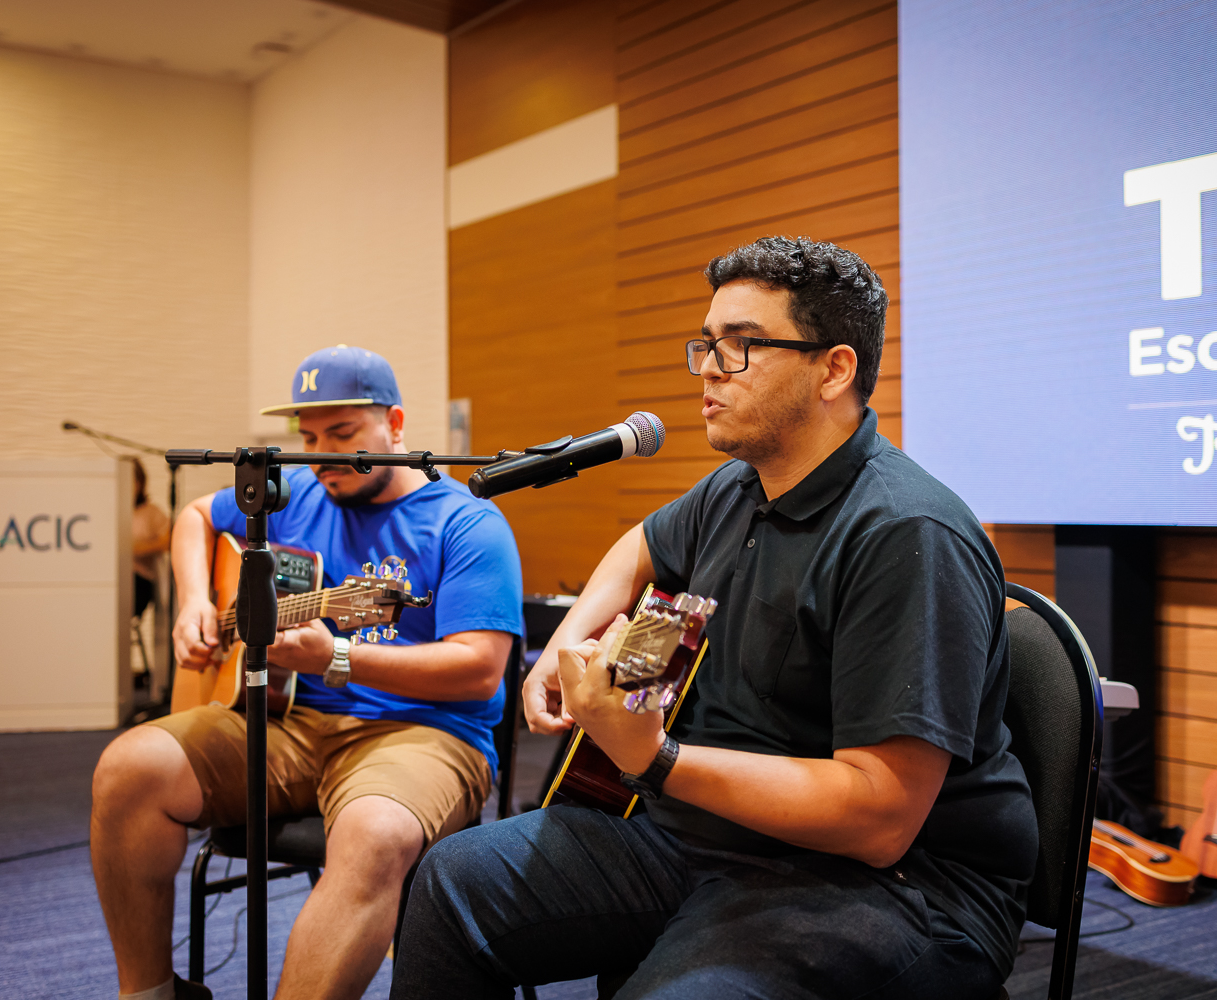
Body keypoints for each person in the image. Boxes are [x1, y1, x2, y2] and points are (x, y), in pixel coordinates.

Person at [389, 237, 1037, 1000]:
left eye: (742, 346)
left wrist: (656, 758)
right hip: (703, 833)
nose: (708, 369)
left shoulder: (906, 534)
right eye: (707, 344)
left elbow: (880, 818)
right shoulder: (737, 485)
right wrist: (566, 643)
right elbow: (638, 548)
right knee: (451, 882)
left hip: (892, 887)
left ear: (834, 370)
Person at [90, 346, 524, 1000]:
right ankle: (150, 994)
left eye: (342, 434)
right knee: (128, 769)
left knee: (373, 834)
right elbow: (195, 517)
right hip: (286, 718)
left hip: (424, 733)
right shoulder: (296, 494)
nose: (321, 455)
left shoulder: (466, 522)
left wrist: (338, 657)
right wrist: (194, 602)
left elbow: (479, 671)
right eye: (310, 438)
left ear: (395, 423)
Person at [130, 457, 171, 619]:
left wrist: (137, 549)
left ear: (140, 483)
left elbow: (169, 540)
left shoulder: (151, 512)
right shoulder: (106, 512)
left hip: (139, 580)